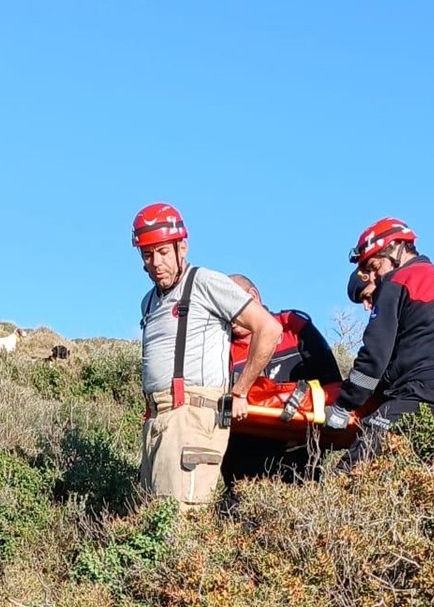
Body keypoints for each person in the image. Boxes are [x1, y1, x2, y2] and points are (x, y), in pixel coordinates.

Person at [134, 203, 281, 508]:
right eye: (147, 255)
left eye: (163, 252)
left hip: (192, 419)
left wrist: (240, 391)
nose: (156, 262)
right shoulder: (148, 301)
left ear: (182, 247)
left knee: (181, 519)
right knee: (152, 517)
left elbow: (269, 328)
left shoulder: (204, 282)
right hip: (156, 421)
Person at [325, 217, 434, 461]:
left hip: (422, 394)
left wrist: (344, 405)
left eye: (375, 266)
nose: (375, 276)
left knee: (354, 470)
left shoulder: (398, 280)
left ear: (395, 249)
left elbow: (374, 358)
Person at [221, 274, 343, 484]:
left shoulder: (292, 326)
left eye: (233, 306)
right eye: (223, 310)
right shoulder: (221, 345)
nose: (230, 317)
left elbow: (332, 382)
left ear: (253, 296)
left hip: (298, 448)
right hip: (245, 456)